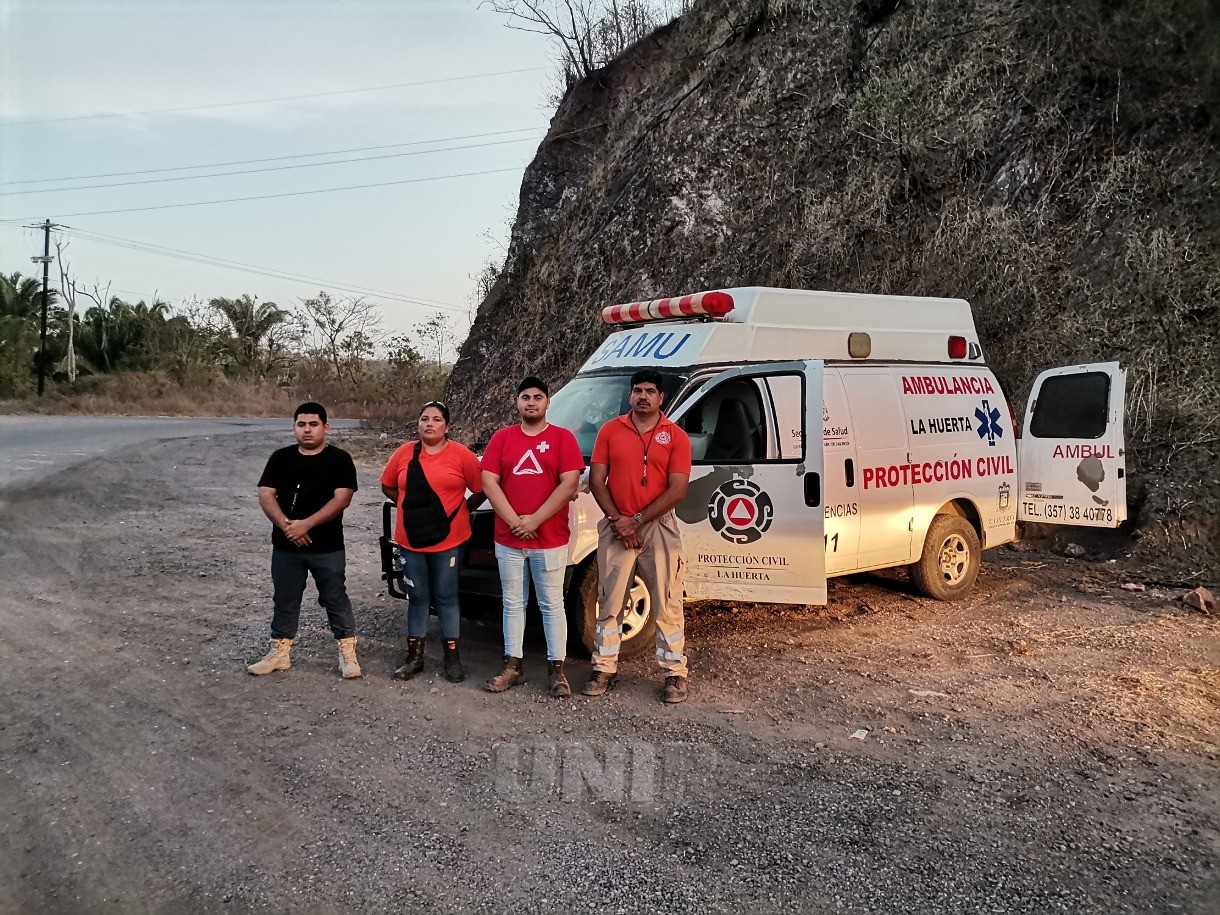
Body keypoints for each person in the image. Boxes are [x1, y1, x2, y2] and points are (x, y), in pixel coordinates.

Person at [584, 370, 692, 703]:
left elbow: (678, 490)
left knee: (667, 602)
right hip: (616, 525)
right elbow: (597, 480)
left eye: (650, 391)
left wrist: (638, 520)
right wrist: (620, 521)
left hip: (659, 526)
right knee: (610, 601)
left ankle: (674, 674)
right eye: (637, 391)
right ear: (630, 396)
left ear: (661, 398)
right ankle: (603, 667)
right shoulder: (610, 431)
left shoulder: (676, 436)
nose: (642, 396)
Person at [481, 377, 585, 698]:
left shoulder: (561, 438)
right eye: (525, 396)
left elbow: (569, 484)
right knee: (512, 603)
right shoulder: (502, 438)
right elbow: (488, 480)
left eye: (537, 397)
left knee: (552, 604)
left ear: (547, 403)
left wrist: (535, 520)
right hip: (509, 539)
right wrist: (515, 522)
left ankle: (557, 671)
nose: (531, 402)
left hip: (549, 538)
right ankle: (512, 665)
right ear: (517, 402)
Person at [248, 402, 362, 679]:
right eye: (301, 425)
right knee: (285, 599)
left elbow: (342, 498)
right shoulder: (280, 458)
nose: (307, 430)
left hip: (327, 546)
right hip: (286, 546)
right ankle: (279, 653)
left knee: (335, 598)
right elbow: (266, 494)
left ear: (326, 427)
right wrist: (288, 527)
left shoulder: (340, 459)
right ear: (293, 428)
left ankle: (348, 654)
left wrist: (305, 525)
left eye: (313, 424)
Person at [380, 401, 483, 683]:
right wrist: (411, 511)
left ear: (447, 427)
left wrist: (461, 510)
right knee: (417, 597)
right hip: (410, 541)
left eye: (437, 420)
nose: (429, 424)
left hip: (449, 540)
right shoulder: (404, 453)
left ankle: (452, 657)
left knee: (447, 596)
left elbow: (481, 489)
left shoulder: (462, 456)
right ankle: (414, 657)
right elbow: (388, 485)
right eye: (424, 418)